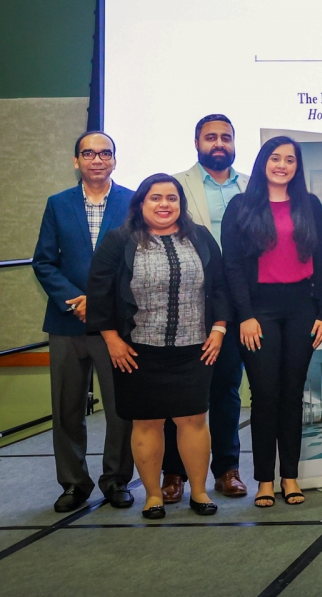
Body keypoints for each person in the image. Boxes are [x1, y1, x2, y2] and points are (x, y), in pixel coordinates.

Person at [84, 174, 230, 519]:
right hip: (137, 351)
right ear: (141, 204)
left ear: (181, 203)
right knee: (147, 423)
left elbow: (221, 286)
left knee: (193, 419)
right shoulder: (119, 240)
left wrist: (220, 328)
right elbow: (100, 293)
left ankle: (199, 492)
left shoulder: (200, 237)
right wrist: (112, 340)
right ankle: (152, 496)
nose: (165, 204)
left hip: (195, 348)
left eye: (172, 198)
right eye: (155, 198)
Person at [222, 136, 322, 508]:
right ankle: (265, 480)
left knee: (291, 395)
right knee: (266, 395)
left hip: (302, 307)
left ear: (297, 167)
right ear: (263, 163)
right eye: (275, 158)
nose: (282, 165)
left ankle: (290, 477)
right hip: (259, 311)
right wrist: (246, 316)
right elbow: (233, 267)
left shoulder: (311, 206)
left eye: (290, 159)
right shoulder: (241, 206)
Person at [32, 132, 135, 512]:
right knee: (67, 409)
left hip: (115, 326)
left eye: (104, 153)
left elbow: (137, 261)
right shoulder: (58, 204)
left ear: (114, 160)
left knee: (120, 408)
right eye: (88, 153)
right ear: (76, 161)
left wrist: (100, 303)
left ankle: (116, 480)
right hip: (67, 323)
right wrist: (75, 302)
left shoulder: (131, 202)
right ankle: (74, 483)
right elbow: (43, 261)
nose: (96, 159)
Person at [162, 114, 250, 503]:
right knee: (178, 393)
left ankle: (227, 469)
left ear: (234, 143)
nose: (219, 144)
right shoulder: (176, 186)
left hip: (238, 300)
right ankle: (175, 473)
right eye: (211, 137)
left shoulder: (251, 186)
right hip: (187, 303)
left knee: (227, 389)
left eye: (225, 138)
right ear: (197, 142)